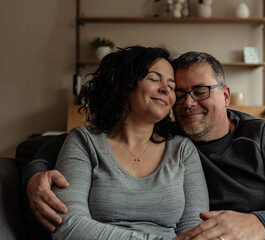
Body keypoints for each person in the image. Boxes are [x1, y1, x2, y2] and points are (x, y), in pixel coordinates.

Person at [23, 51, 265, 240]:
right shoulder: (168, 136)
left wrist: (260, 223)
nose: (186, 102)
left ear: (225, 94)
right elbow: (66, 143)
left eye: (201, 91)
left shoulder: (263, 136)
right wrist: (35, 171)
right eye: (179, 92)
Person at [23, 46, 209, 240]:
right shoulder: (85, 141)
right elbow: (68, 225)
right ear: (123, 84)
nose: (165, 90)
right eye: (154, 79)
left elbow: (195, 229)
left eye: (172, 87)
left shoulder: (182, 150)